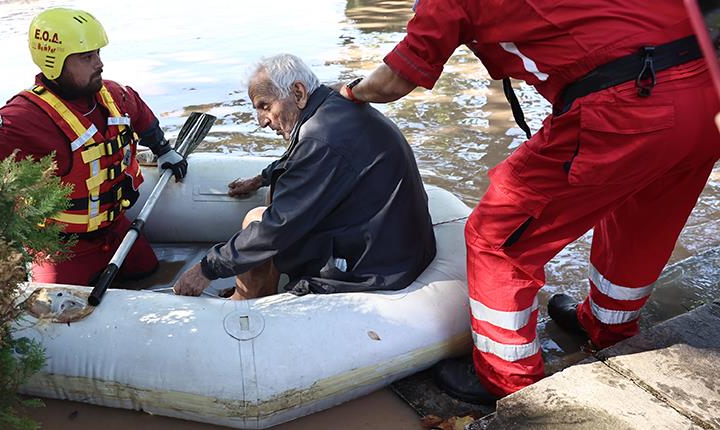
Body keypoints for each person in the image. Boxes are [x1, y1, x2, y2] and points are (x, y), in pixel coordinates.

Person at [339, 0, 720, 404]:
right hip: (705, 96)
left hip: (628, 106)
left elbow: (393, 83)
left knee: (495, 241)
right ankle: (608, 327)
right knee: (645, 220)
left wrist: (349, 90)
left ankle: (509, 382)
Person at [0, 8, 187, 286]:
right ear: (54, 62)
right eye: (86, 57)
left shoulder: (113, 95)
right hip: (60, 249)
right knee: (54, 314)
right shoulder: (24, 117)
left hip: (117, 231)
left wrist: (163, 149)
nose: (99, 64)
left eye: (98, 54)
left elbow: (140, 112)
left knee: (151, 273)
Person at [172, 54, 436, 300]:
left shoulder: (320, 139)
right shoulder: (331, 109)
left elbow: (277, 228)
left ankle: (246, 302)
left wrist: (207, 268)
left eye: (265, 107)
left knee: (256, 220)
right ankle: (259, 287)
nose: (262, 121)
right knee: (272, 193)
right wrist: (262, 177)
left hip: (371, 269)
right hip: (392, 248)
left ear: (298, 93)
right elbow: (304, 162)